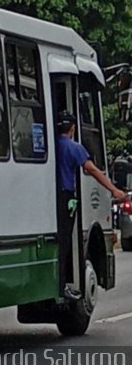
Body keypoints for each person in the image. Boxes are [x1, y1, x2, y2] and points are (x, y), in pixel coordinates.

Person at [56, 111, 127, 301]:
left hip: (52, 197)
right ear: (72, 128)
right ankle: (62, 285)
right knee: (65, 243)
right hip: (66, 196)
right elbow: (92, 169)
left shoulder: (52, 145)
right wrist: (114, 190)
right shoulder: (74, 147)